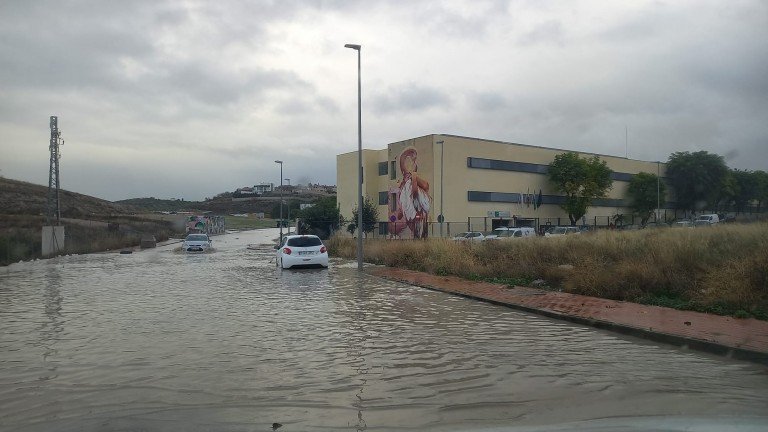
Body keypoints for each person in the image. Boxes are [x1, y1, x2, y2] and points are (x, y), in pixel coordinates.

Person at [388, 148, 432, 239]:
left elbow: (421, 188)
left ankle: (419, 235)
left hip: (416, 207)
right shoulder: (405, 187)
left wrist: (413, 175)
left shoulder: (416, 187)